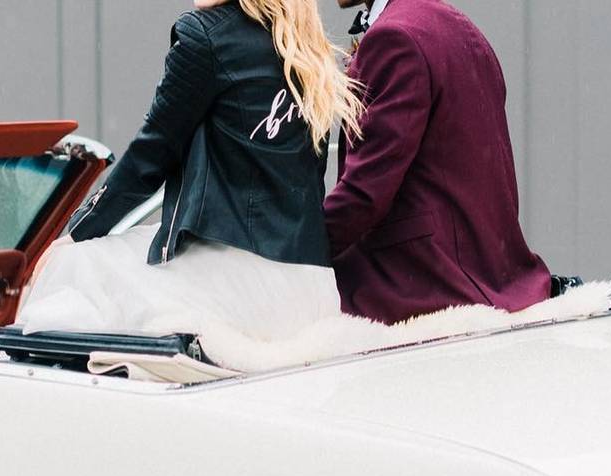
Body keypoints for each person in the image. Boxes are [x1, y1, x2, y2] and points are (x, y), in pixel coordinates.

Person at [20, 0, 363, 340]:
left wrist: (78, 231)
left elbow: (151, 154)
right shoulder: (301, 43)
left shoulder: (206, 37)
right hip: (310, 290)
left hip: (239, 289)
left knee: (73, 266)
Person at [325, 0, 552, 325]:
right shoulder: (457, 25)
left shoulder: (393, 38)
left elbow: (364, 195)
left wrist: (291, 255)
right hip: (495, 277)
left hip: (424, 286)